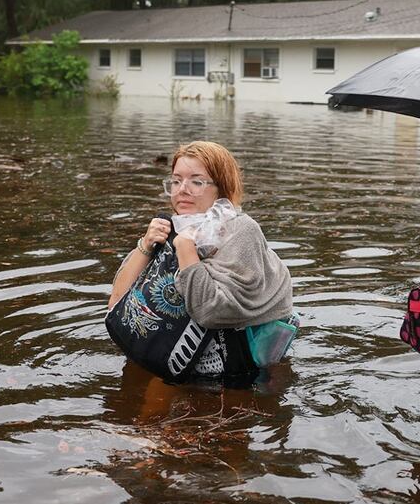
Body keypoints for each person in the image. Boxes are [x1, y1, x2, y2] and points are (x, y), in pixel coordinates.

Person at [108, 140, 293, 378]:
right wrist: (145, 245)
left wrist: (186, 249)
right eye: (176, 181)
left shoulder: (241, 231)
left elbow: (212, 312)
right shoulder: (171, 227)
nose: (182, 189)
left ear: (221, 188)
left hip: (236, 375)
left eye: (196, 181)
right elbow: (116, 304)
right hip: (174, 360)